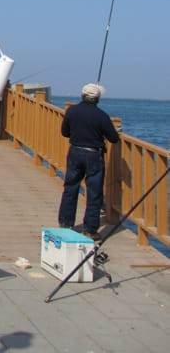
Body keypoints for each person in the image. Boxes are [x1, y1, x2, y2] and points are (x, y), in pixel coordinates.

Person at [58, 83, 119, 240]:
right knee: (94, 192)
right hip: (93, 155)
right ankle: (90, 229)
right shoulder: (102, 116)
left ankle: (66, 222)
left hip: (75, 151)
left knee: (70, 188)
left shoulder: (71, 111)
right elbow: (114, 138)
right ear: (97, 98)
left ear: (82, 96)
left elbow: (65, 132)